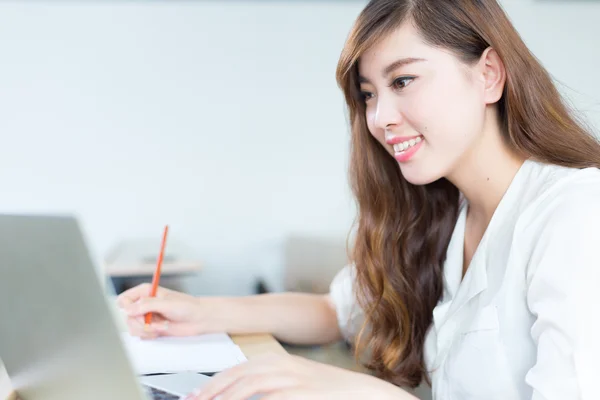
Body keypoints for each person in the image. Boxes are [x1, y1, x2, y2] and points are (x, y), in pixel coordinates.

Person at [118, 0, 600, 399]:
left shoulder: (574, 212)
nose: (379, 118)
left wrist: (371, 394)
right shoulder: (443, 211)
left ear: (489, 75)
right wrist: (205, 312)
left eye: (403, 81)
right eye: (368, 94)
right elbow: (336, 311)